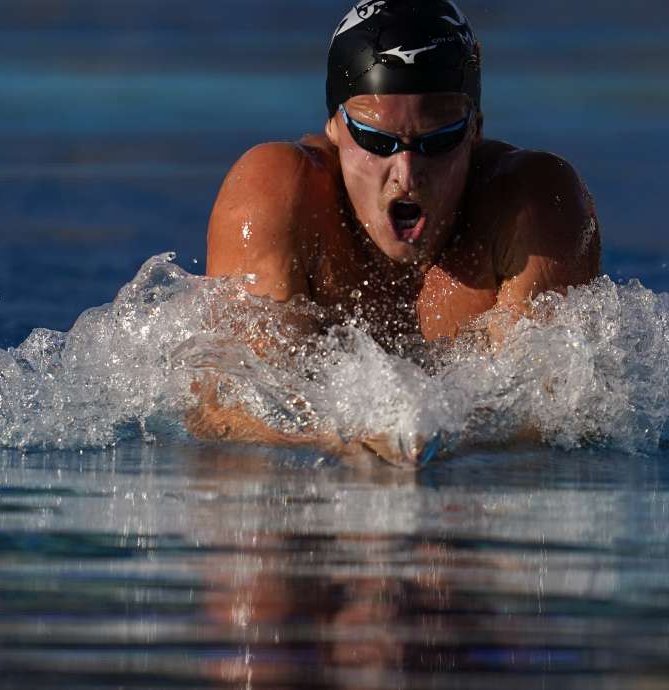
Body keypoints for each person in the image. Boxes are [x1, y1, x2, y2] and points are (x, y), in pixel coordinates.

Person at [188, 0, 601, 465]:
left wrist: (432, 440)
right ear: (335, 126)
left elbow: (554, 417)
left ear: (475, 131)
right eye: (377, 141)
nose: (406, 173)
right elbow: (225, 410)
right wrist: (337, 442)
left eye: (437, 141)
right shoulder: (277, 194)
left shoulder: (533, 206)